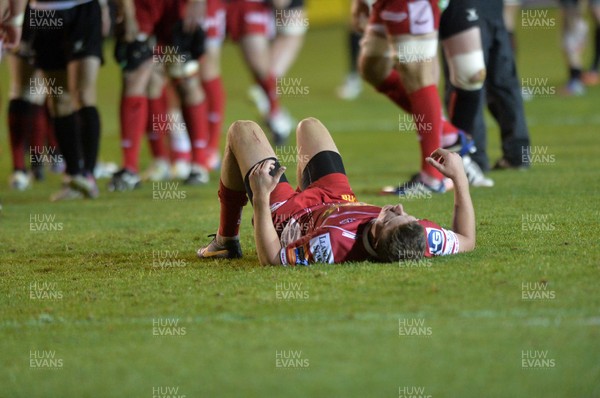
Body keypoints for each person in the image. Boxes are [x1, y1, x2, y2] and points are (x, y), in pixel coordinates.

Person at [197, 117, 475, 265]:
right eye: (407, 216)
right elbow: (467, 239)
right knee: (310, 126)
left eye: (390, 217)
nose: (398, 209)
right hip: (338, 198)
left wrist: (260, 198)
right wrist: (460, 178)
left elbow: (271, 259)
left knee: (242, 130)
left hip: (288, 215)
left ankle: (226, 241)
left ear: (375, 237)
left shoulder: (331, 243)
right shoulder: (419, 239)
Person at [109, 0, 210, 191]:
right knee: (135, 73)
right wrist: (127, 10)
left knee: (185, 77)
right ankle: (132, 167)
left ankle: (198, 164)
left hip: (177, 5)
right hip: (143, 6)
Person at [28, 0, 110, 201]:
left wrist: (106, 6)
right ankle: (73, 175)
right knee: (58, 99)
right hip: (43, 14)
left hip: (83, 8)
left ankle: (88, 174)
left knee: (82, 93)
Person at [559, 0, 600, 94]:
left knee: (570, 40)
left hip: (574, 17)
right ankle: (578, 79)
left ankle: (575, 82)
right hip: (575, 16)